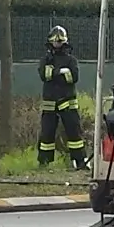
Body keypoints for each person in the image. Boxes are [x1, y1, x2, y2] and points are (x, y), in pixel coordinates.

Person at [38, 25, 90, 170]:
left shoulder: (71, 60)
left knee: (74, 133)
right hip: (49, 103)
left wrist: (55, 73)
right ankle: (44, 162)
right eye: (55, 41)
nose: (58, 43)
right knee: (47, 134)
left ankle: (80, 162)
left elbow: (73, 77)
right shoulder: (45, 60)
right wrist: (60, 72)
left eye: (60, 41)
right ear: (50, 42)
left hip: (68, 102)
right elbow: (44, 75)